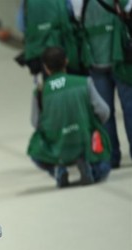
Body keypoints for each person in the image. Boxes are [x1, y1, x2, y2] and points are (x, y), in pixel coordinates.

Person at [27, 46, 112, 187]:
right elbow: (104, 112)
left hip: (57, 146)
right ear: (66, 61)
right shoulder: (84, 82)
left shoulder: (40, 92)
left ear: (46, 68)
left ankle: (57, 169)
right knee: (104, 166)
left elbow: (35, 122)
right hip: (85, 141)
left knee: (34, 150)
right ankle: (90, 168)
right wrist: (91, 123)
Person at [79, 0, 132, 168]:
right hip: (121, 59)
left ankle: (111, 156)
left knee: (105, 113)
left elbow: (75, 18)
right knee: (130, 109)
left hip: (95, 62)